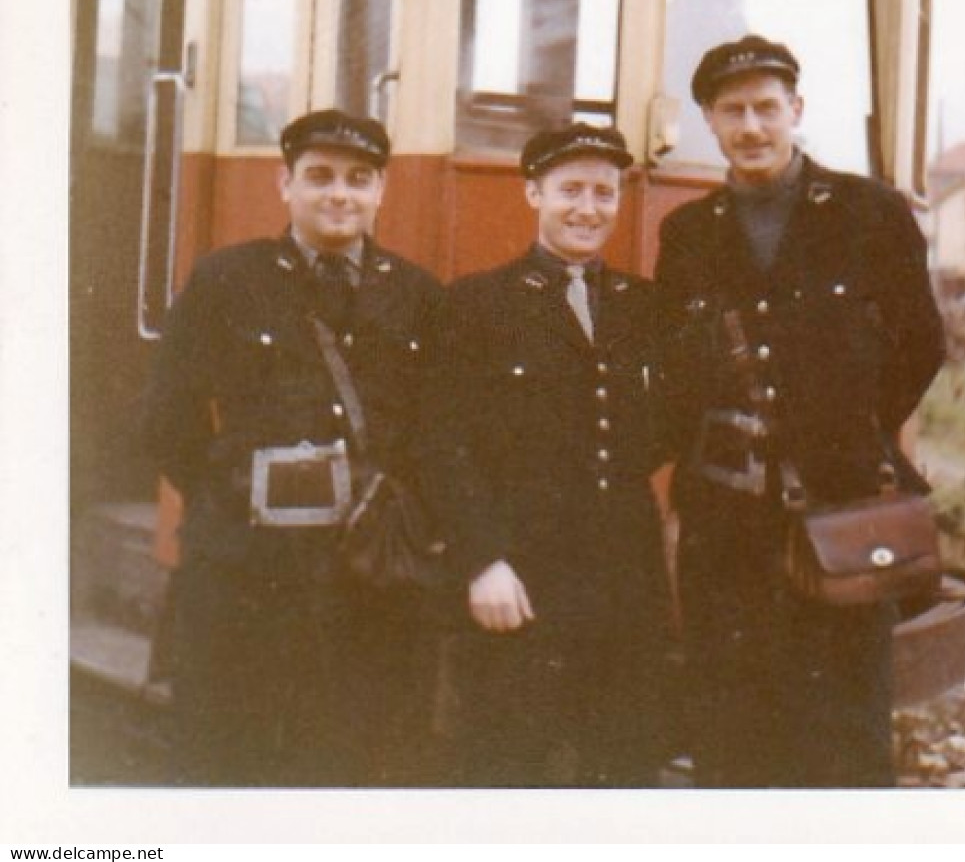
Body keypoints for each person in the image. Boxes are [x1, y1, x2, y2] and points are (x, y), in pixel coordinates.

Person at [655, 33, 944, 787]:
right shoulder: (686, 234)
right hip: (725, 525)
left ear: (796, 111)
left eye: (764, 108)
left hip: (842, 512)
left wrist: (845, 431)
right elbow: (678, 369)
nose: (750, 127)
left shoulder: (868, 213)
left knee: (842, 733)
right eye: (731, 112)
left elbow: (920, 342)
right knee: (731, 729)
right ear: (709, 125)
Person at [142, 109, 445, 787]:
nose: (339, 194)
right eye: (319, 177)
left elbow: (436, 432)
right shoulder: (227, 280)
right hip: (245, 571)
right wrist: (231, 496)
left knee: (347, 759)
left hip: (366, 578)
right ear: (285, 185)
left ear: (380, 192)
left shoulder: (419, 295)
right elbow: (166, 419)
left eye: (358, 179)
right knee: (224, 757)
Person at [428, 123, 672, 787]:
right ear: (533, 191)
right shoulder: (478, 304)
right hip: (519, 582)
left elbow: (661, 429)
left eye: (603, 191)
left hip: (624, 587)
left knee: (621, 770)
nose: (587, 208)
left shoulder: (643, 308)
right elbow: (442, 445)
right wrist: (481, 560)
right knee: (504, 768)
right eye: (570, 190)